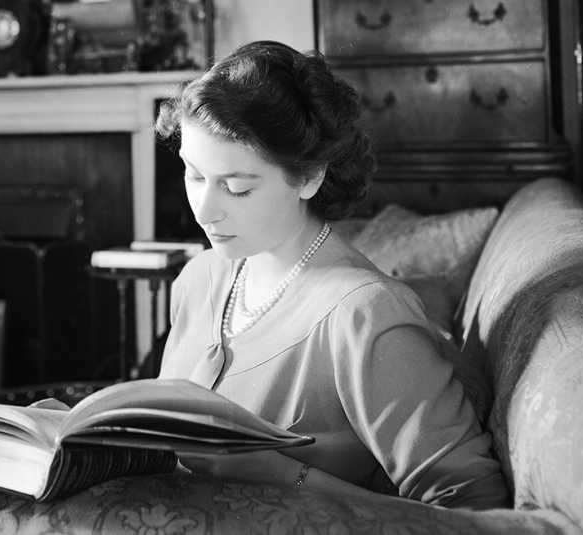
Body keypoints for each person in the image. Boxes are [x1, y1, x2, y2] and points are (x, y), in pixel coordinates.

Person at [152, 40, 510, 509]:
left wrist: (281, 473)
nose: (204, 210)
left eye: (236, 188)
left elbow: (471, 508)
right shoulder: (198, 279)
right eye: (194, 175)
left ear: (309, 177)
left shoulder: (367, 316)